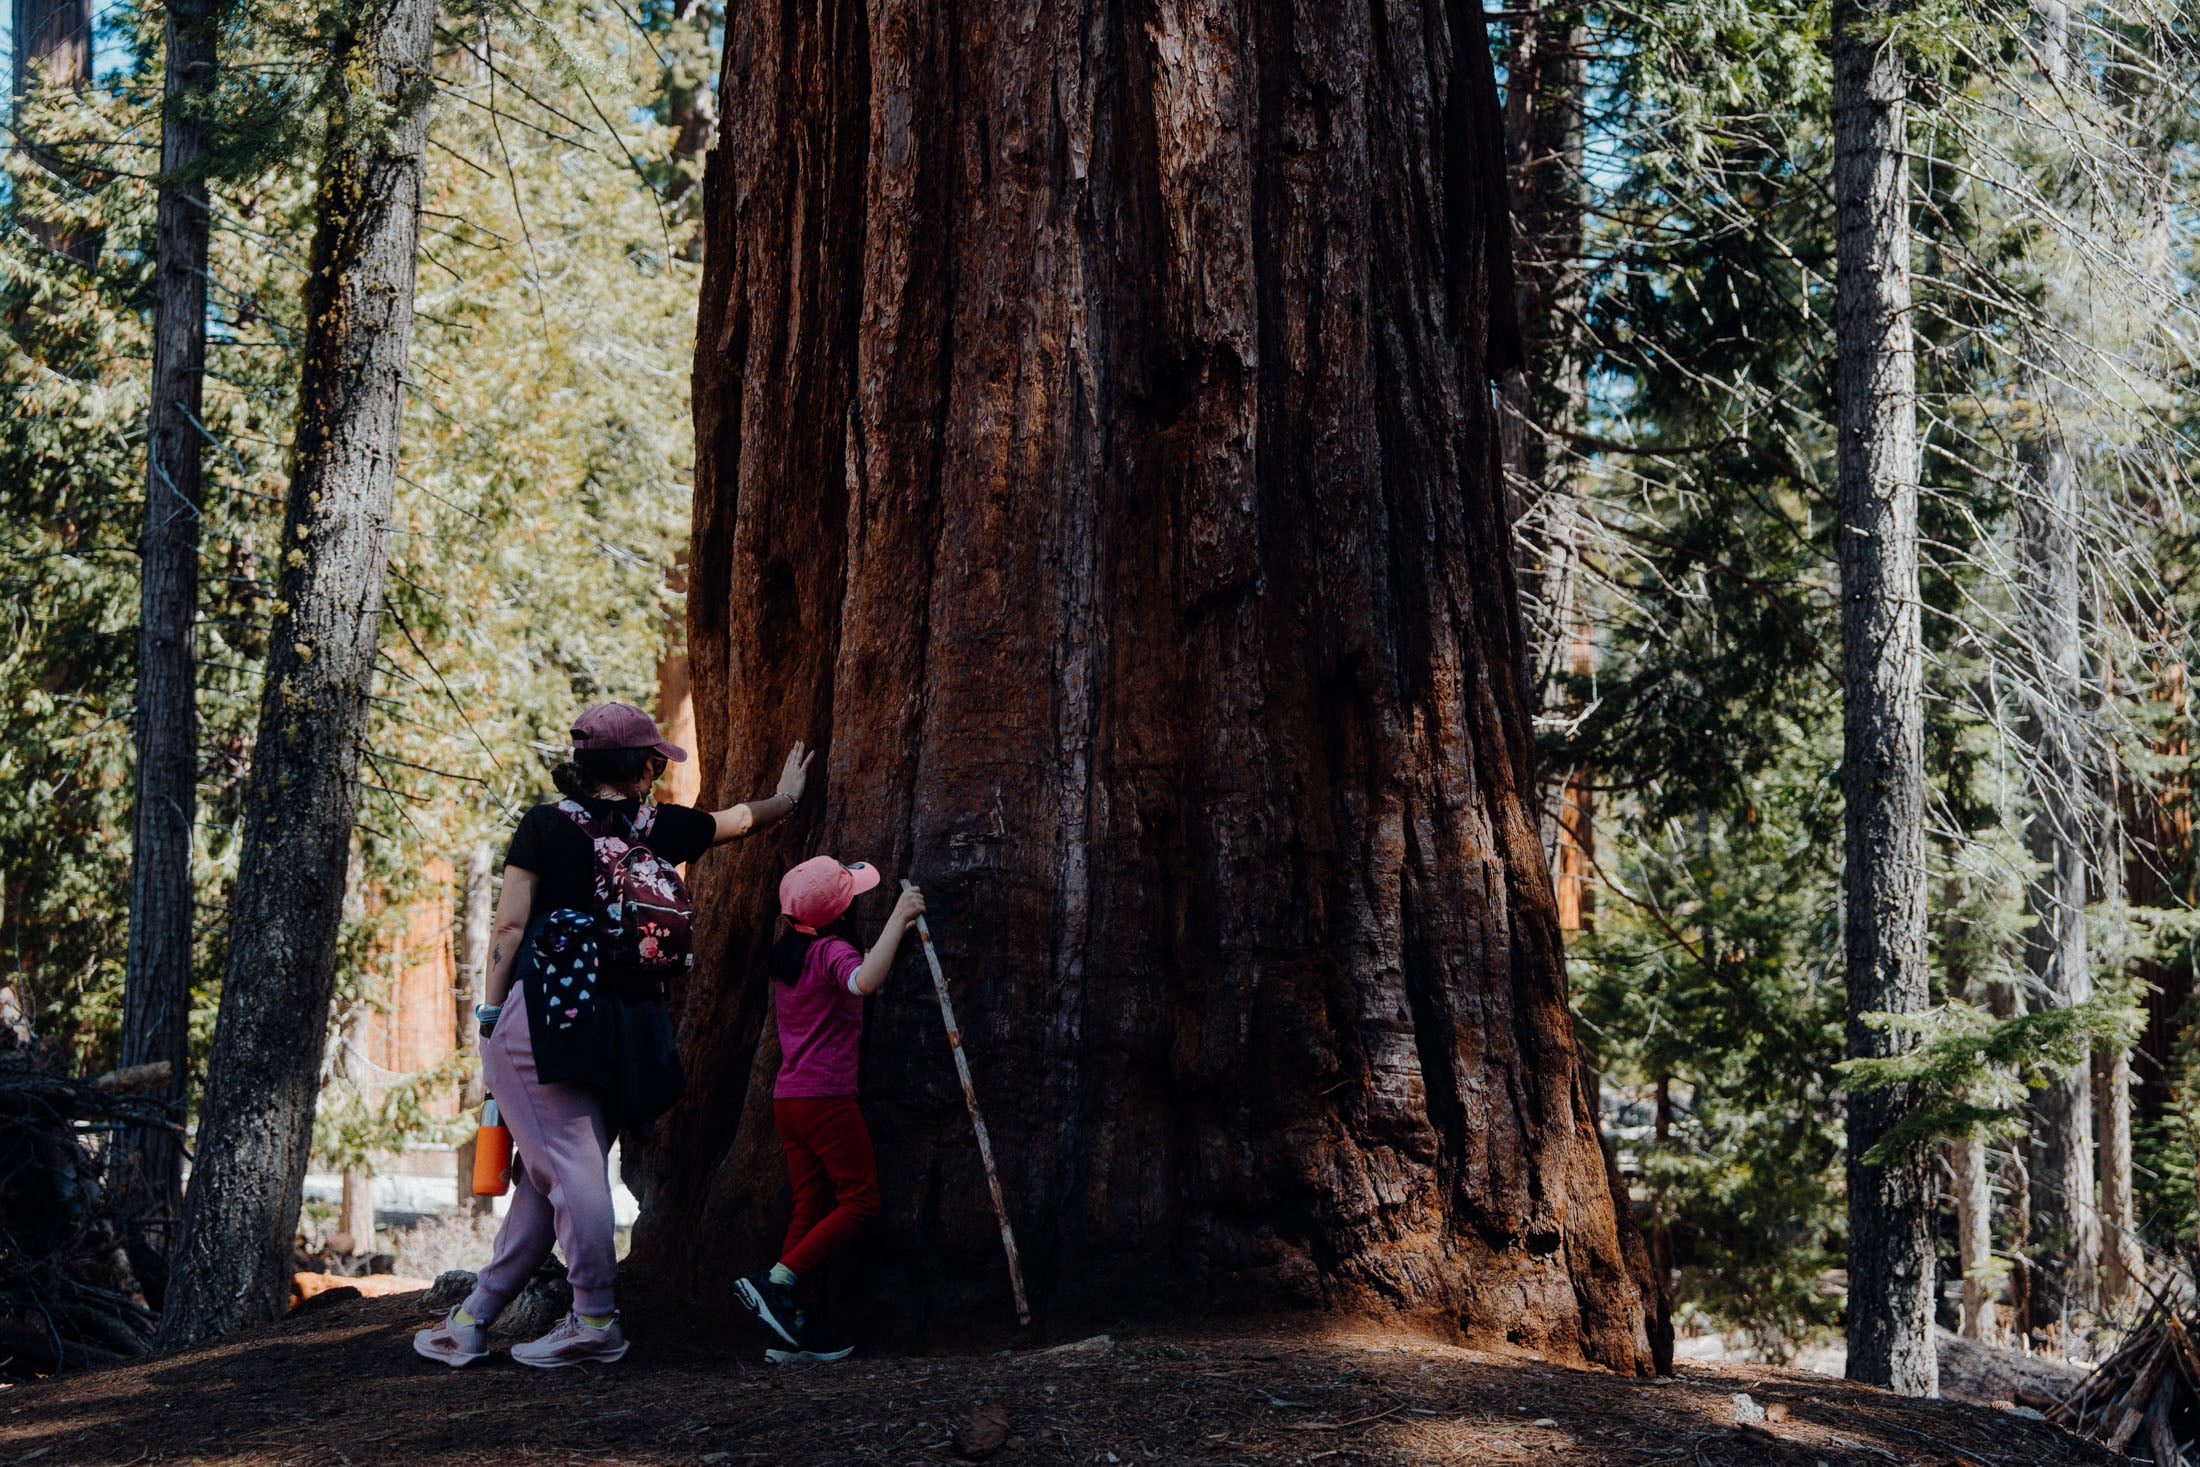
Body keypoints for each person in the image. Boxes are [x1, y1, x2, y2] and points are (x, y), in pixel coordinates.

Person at [414, 701, 812, 1369]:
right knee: (547, 1176)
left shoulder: (545, 825)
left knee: (568, 1170)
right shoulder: (658, 827)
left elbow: (509, 928)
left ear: (582, 763)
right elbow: (737, 821)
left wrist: (488, 1015)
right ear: (642, 766)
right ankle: (473, 1316)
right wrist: (789, 797)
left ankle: (595, 1317)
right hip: (627, 1022)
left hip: (548, 1016)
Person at [734, 857, 925, 1363]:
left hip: (790, 1100)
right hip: (826, 1098)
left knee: (811, 1207)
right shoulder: (830, 951)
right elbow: (864, 981)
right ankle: (777, 1281)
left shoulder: (790, 954)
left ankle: (789, 1331)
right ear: (838, 914)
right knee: (860, 1201)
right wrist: (899, 918)